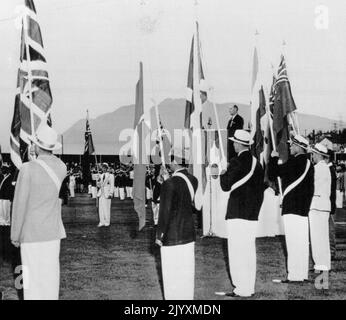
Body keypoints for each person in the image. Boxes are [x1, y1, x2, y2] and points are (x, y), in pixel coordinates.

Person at [11, 123, 67, 300]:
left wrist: (15, 235)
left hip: (31, 234)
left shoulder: (27, 169)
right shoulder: (61, 167)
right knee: (50, 279)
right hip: (53, 232)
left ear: (36, 145)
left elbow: (20, 205)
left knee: (31, 282)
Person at [218, 130, 264, 297]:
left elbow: (225, 186)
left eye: (234, 142)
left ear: (239, 144)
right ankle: (248, 287)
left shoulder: (236, 162)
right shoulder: (257, 164)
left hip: (237, 212)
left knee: (237, 252)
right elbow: (261, 189)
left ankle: (240, 288)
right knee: (249, 251)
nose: (233, 144)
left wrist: (223, 172)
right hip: (252, 214)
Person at [269, 135, 314, 283]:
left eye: (293, 145)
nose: (290, 147)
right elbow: (310, 189)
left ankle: (294, 275)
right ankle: (302, 274)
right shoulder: (308, 163)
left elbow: (273, 173)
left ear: (299, 147)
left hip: (291, 207)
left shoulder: (294, 162)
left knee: (293, 242)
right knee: (301, 242)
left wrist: (273, 159)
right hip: (302, 208)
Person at [156, 147, 198, 300]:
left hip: (171, 235)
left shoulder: (170, 183)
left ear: (174, 162)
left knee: (171, 276)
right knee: (186, 274)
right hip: (188, 234)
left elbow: (165, 211)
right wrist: (167, 181)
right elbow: (180, 198)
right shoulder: (193, 180)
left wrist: (159, 235)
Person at [309, 143, 332, 275]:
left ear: (318, 155)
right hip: (323, 206)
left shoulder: (318, 168)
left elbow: (311, 187)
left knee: (318, 238)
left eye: (313, 154)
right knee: (322, 237)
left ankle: (320, 266)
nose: (312, 156)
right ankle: (323, 265)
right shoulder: (325, 168)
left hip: (317, 206)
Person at [0, 164, 15, 265]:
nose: (2, 171)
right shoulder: (3, 178)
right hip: (1, 198)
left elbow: (11, 190)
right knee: (2, 213)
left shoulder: (9, 178)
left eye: (3, 169)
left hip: (6, 198)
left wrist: (10, 198)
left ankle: (6, 222)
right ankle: (3, 221)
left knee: (6, 213)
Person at [327, 150, 337, 261]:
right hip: (329, 204)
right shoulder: (331, 170)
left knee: (329, 229)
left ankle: (331, 251)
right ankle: (331, 250)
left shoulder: (329, 171)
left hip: (328, 204)